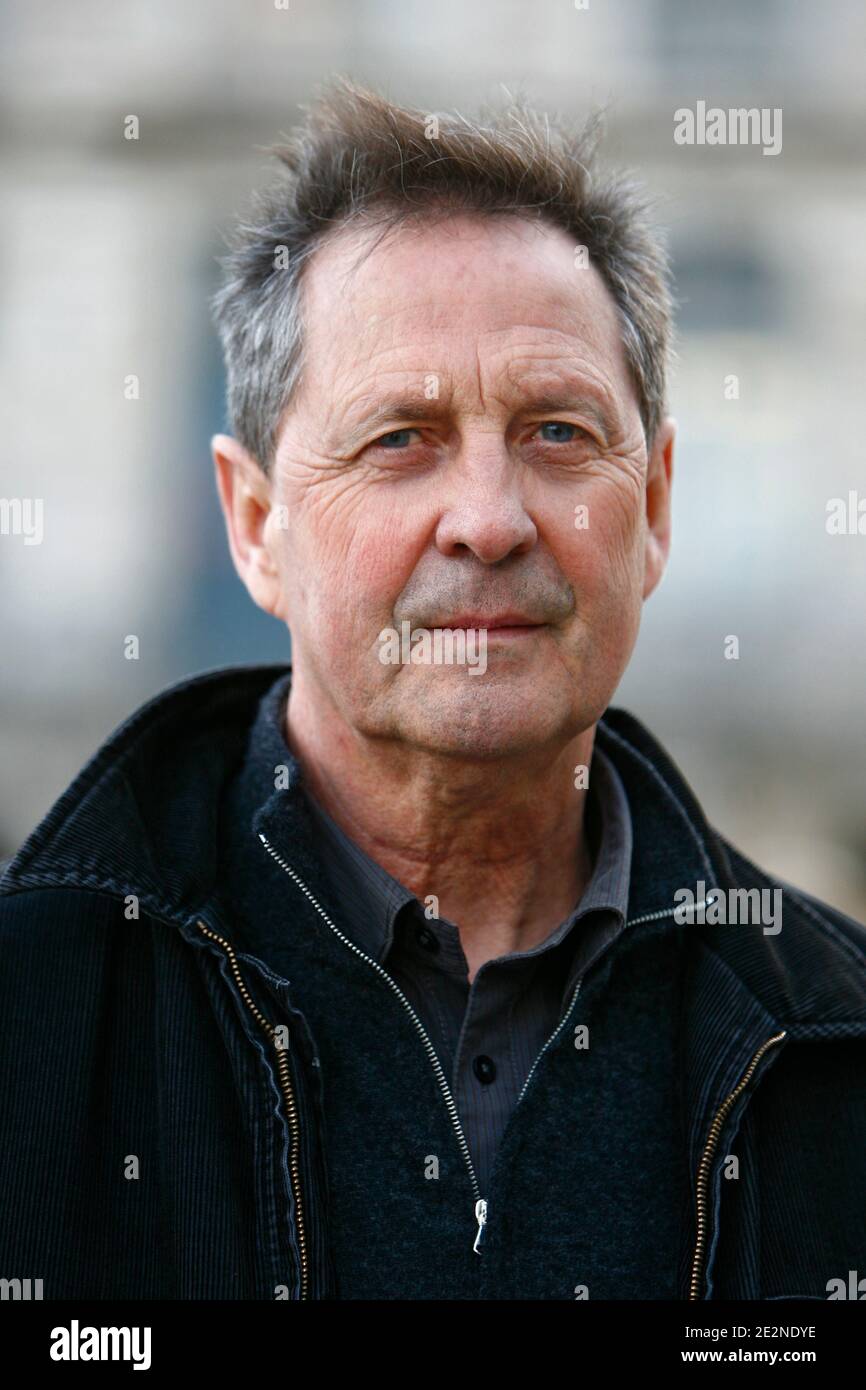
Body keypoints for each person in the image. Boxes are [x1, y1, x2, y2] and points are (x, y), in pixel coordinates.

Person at [2, 77, 864, 1302]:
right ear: (255, 525)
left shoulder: (835, 1041)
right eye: (398, 438)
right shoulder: (34, 1021)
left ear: (656, 509)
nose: (488, 520)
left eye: (557, 432)